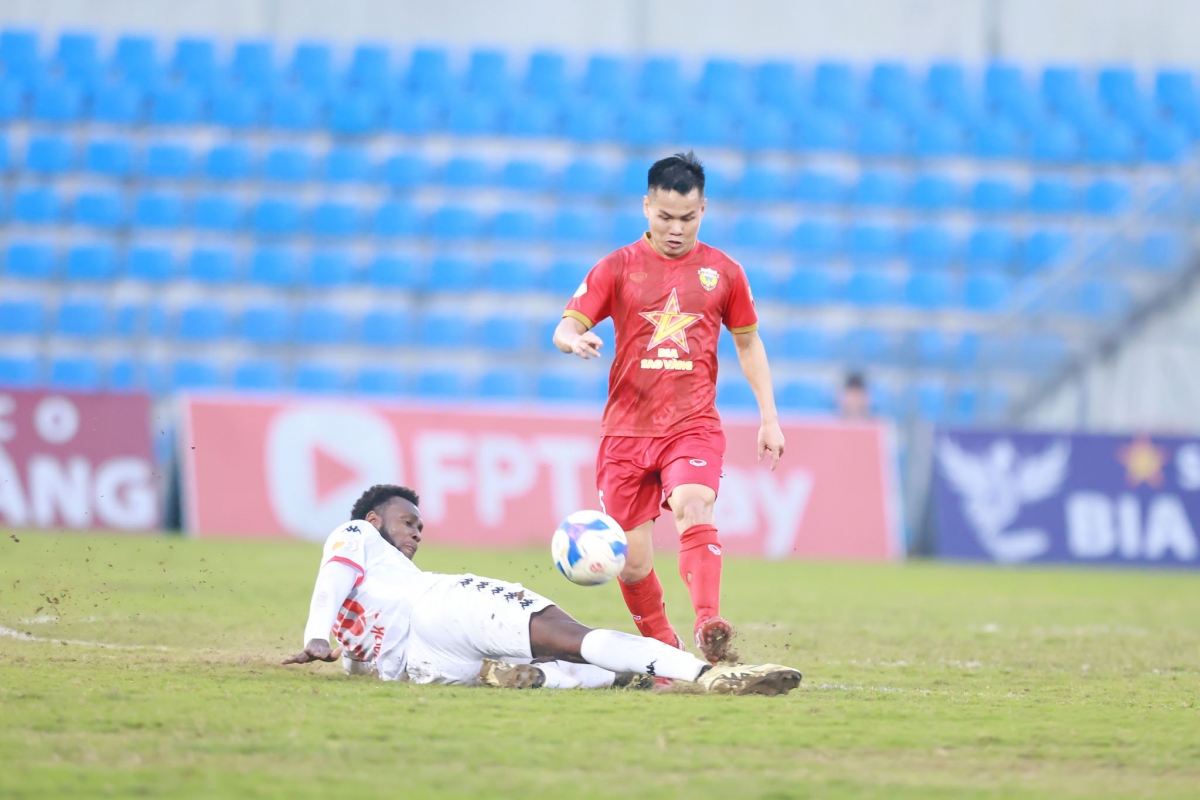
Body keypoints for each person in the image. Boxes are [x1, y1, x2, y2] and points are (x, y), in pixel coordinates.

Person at [551, 151, 784, 664]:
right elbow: (566, 325)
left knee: (693, 504)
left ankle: (708, 624)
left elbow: (748, 343)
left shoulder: (724, 273)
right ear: (645, 208)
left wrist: (769, 417)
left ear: (704, 210)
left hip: (692, 423)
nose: (676, 229)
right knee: (632, 564)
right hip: (626, 433)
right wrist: (573, 340)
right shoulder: (617, 268)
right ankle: (664, 650)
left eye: (688, 217)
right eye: (664, 217)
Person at [282, 484, 803, 696]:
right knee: (570, 636)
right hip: (440, 609)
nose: (416, 533)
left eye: (419, 527)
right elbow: (333, 580)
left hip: (426, 669)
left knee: (562, 668)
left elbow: (356, 659)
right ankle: (708, 674)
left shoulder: (377, 588)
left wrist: (335, 650)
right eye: (407, 522)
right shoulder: (354, 534)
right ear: (373, 519)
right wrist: (316, 636)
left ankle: (547, 678)